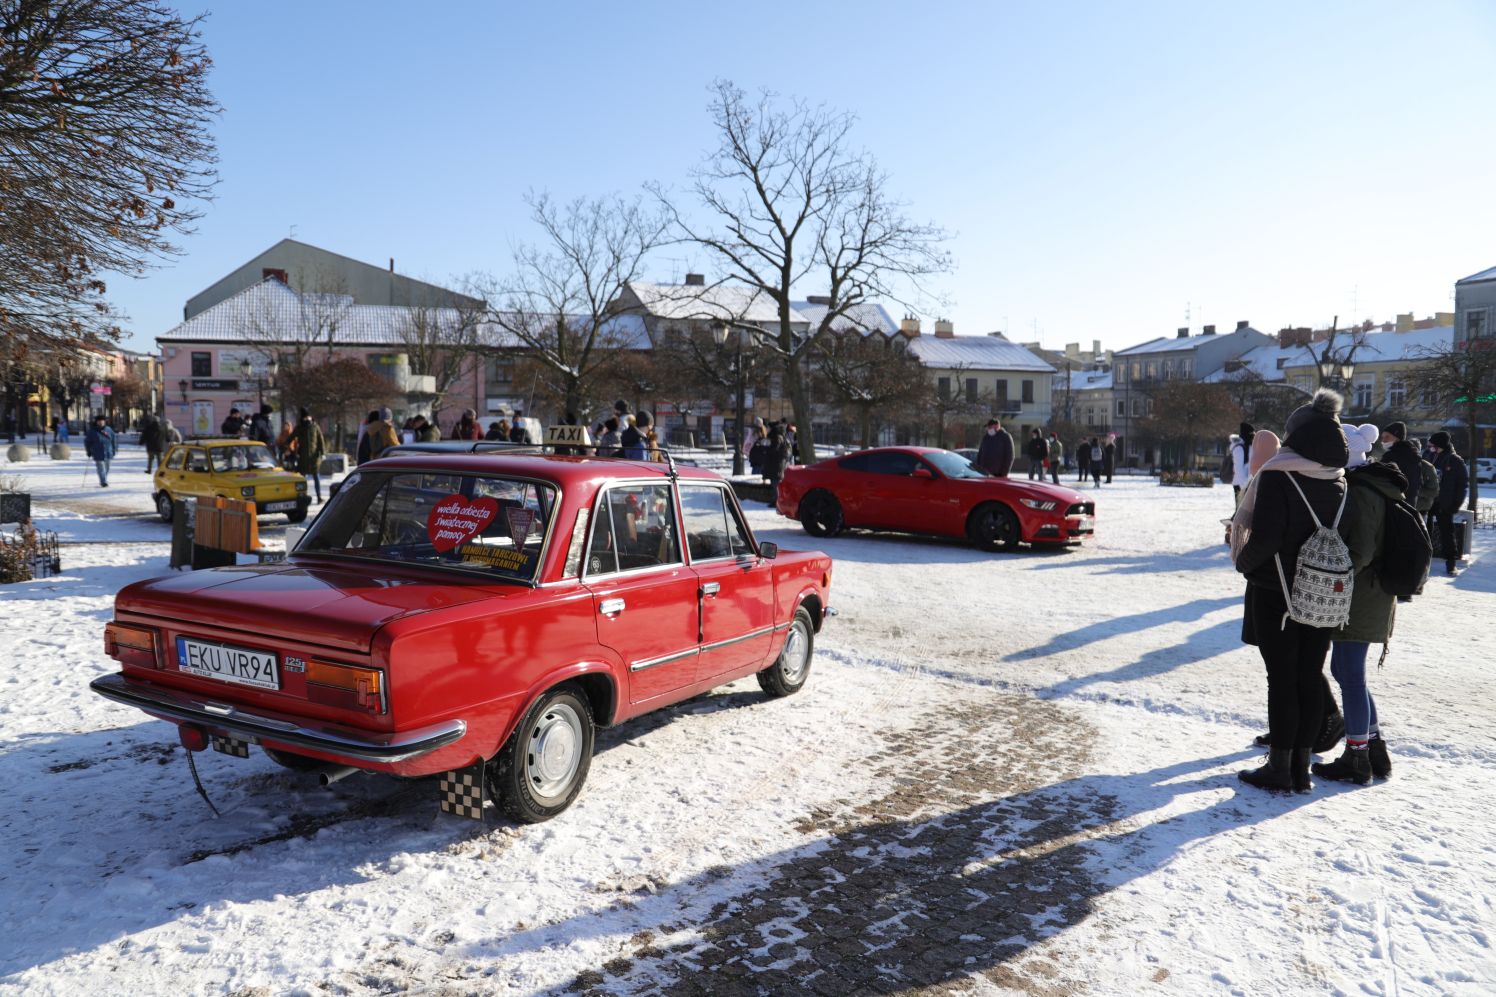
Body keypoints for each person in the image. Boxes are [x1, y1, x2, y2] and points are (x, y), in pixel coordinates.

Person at [1233, 388, 1352, 793]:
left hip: (1277, 591)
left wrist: (1243, 563)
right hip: (1324, 594)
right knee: (1308, 675)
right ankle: (1301, 767)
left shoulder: (1280, 475)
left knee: (1281, 679)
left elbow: (1264, 538)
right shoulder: (1338, 480)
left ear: (1298, 436)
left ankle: (1281, 768)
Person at [1314, 423, 1403, 786]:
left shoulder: (1359, 491)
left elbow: (1360, 551)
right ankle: (1374, 747)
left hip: (1361, 594)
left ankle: (1357, 757)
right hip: (1369, 593)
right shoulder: (1373, 485)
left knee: (1349, 675)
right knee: (1345, 672)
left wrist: (1327, 569)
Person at [1427, 431, 1468, 576]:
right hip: (1428, 501)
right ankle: (1424, 561)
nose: (1430, 447)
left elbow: (1462, 484)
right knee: (1425, 530)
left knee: (1447, 534)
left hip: (1445, 503)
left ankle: (1451, 564)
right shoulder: (1428, 455)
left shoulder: (1454, 460)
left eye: (1433, 445)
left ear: (1441, 445)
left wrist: (1455, 504)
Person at [1378, 422, 1422, 505]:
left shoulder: (1391, 456)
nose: (1383, 440)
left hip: (1395, 502)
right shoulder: (1413, 454)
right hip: (1411, 501)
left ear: (1397, 438)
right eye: (1382, 437)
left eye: (1387, 437)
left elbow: (1381, 477)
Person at [293, 409, 328, 504]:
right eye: (305, 417)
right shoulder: (300, 427)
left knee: (316, 477)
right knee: (302, 479)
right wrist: (286, 446)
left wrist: (323, 452)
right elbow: (292, 436)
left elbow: (320, 440)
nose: (306, 418)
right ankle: (302, 496)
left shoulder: (315, 426)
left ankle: (319, 497)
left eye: (307, 416)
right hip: (303, 457)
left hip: (314, 457)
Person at [84, 414, 117, 487]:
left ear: (105, 421)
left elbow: (114, 440)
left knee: (107, 468)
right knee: (101, 467)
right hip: (97, 452)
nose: (101, 422)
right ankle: (103, 481)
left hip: (108, 452)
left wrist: (114, 450)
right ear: (96, 422)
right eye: (99, 421)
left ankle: (104, 479)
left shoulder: (109, 430)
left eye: (102, 421)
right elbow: (87, 441)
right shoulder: (92, 431)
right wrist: (88, 450)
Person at [763, 422, 792, 503]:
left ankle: (777, 501)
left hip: (776, 465)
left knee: (776, 484)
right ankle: (775, 500)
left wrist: (765, 449)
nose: (767, 430)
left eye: (768, 428)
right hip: (776, 464)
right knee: (775, 483)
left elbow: (774, 449)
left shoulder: (777, 437)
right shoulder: (778, 437)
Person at [1228, 422, 1255, 502]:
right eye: (1252, 434)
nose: (1253, 436)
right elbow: (1238, 470)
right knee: (1241, 511)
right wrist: (1245, 487)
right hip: (1241, 484)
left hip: (1248, 483)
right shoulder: (1239, 448)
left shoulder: (1249, 446)